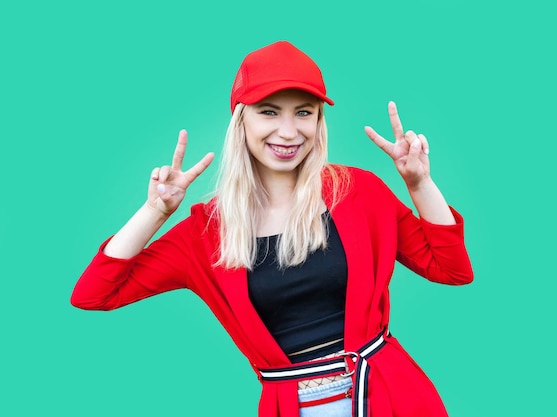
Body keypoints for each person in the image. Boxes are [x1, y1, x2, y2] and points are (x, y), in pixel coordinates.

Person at [71, 40, 474, 417]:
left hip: (391, 397)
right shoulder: (206, 233)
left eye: (304, 112)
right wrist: (155, 212)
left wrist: (420, 184)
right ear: (240, 120)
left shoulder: (358, 191)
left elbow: (452, 270)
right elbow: (94, 293)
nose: (288, 131)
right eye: (269, 111)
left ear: (319, 121)